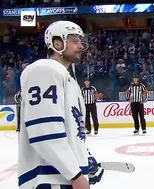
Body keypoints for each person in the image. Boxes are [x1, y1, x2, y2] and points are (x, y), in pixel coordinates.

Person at [18, 21, 104, 189]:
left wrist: (84, 159)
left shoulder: (68, 79)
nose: (81, 46)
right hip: (51, 180)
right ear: (57, 43)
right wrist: (75, 174)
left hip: (61, 177)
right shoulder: (45, 69)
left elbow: (72, 131)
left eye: (81, 41)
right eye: (75, 41)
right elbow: (44, 130)